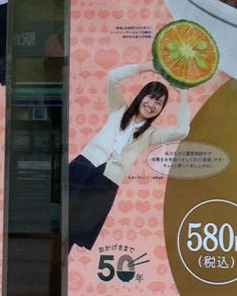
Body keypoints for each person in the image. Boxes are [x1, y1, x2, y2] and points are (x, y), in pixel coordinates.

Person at [68, 62, 190, 250]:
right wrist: (147, 67)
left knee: (74, 233)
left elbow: (182, 131)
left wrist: (183, 95)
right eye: (151, 98)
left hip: (106, 183)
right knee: (58, 221)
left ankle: (59, 267)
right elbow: (112, 78)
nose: (152, 105)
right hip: (83, 168)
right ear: (142, 96)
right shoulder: (118, 109)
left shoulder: (151, 134)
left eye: (159, 103)